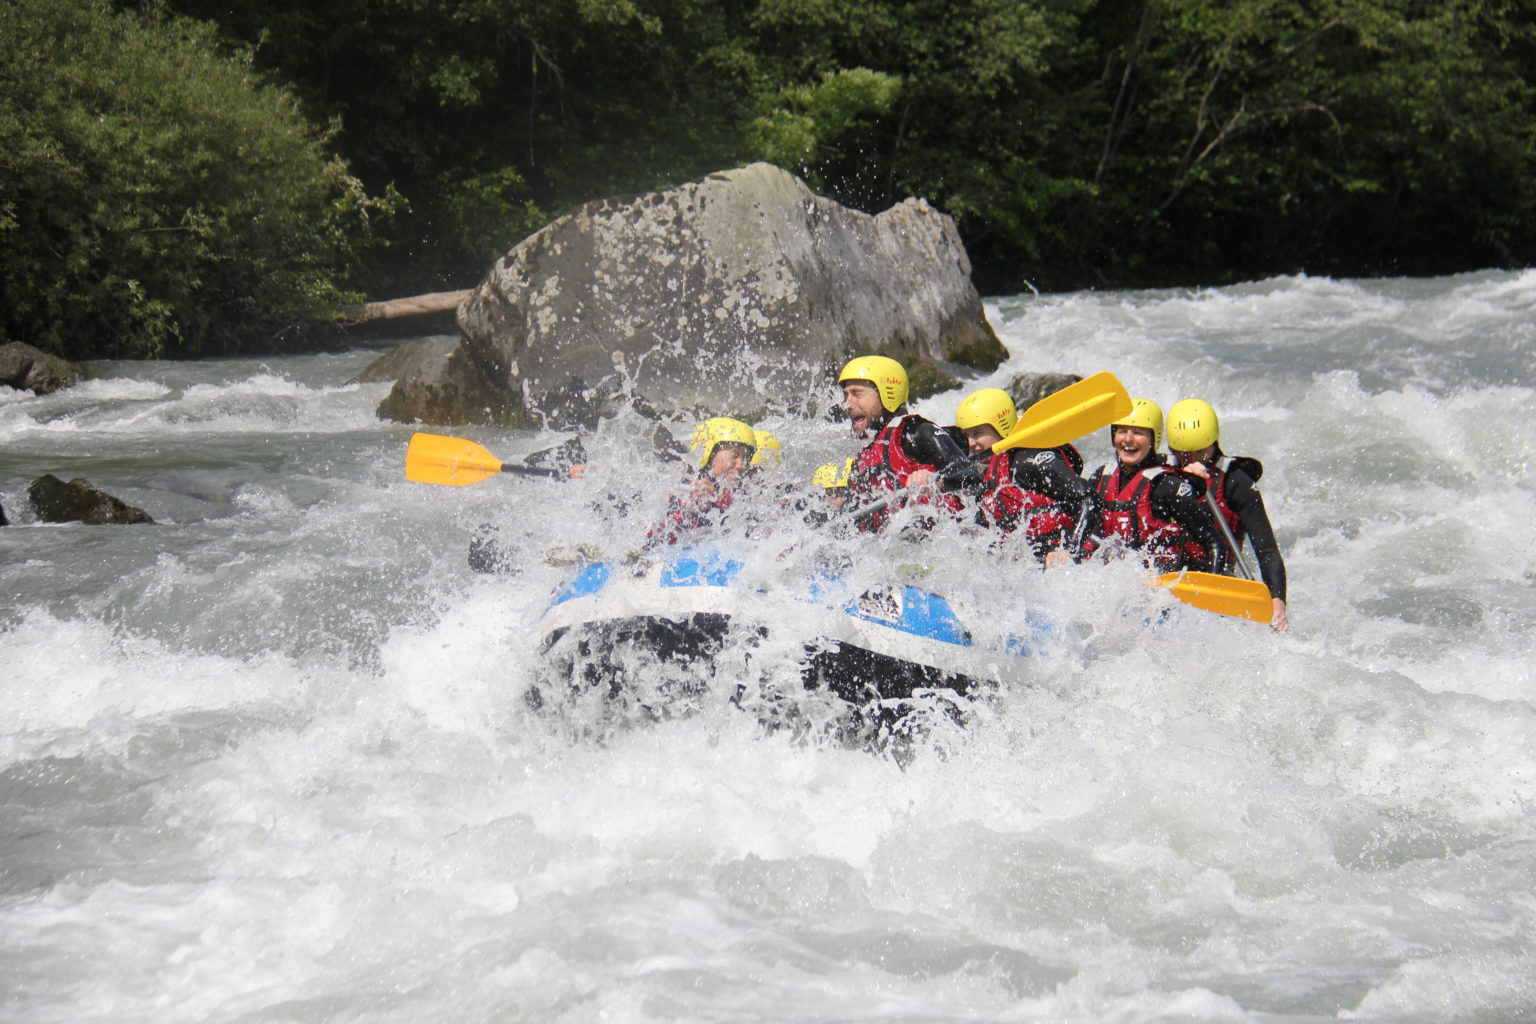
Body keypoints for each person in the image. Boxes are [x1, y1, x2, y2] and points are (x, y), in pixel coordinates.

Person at [1166, 398, 1290, 631]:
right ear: (1172, 449)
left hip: (1217, 583)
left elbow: (1267, 550)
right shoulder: (1162, 477)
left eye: (1200, 452)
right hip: (1167, 582)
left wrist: (1277, 602)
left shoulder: (1236, 481)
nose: (1193, 461)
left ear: (1214, 443)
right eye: (1184, 454)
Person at [1068, 398, 1226, 574]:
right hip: (1112, 584)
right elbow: (1082, 530)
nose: (1128, 439)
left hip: (1159, 591)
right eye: (1122, 431)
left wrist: (1214, 587)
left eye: (1138, 433)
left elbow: (1214, 543)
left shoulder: (1166, 486)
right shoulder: (1101, 477)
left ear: (1154, 438)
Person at [837, 355, 978, 528]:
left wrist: (936, 479)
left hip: (942, 538)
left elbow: (971, 475)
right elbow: (851, 519)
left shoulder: (916, 432)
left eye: (857, 394)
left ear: (887, 393)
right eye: (846, 395)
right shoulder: (862, 458)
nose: (848, 404)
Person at [954, 387, 1088, 561]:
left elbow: (1088, 499)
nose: (970, 443)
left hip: (1061, 558)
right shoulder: (990, 473)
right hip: (1024, 565)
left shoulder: (1028, 461)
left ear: (1001, 427)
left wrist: (1070, 551)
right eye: (966, 435)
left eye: (977, 433)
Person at [644, 417, 758, 548]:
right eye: (735, 455)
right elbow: (654, 539)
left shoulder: (734, 495)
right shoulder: (681, 489)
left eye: (745, 459)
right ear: (709, 453)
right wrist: (697, 508)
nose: (741, 465)